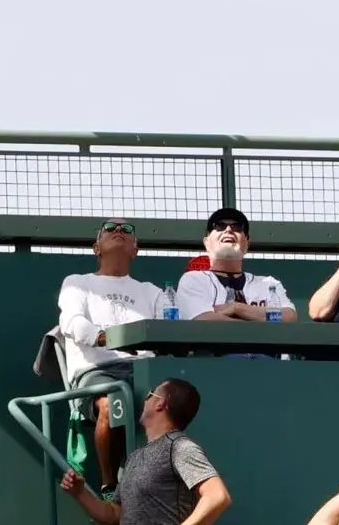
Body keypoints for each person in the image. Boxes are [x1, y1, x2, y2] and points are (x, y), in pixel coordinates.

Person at [57, 217, 163, 497]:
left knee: (174, 400)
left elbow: (169, 325)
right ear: (97, 247)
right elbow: (72, 323)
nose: (119, 231)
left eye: (127, 230)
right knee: (111, 403)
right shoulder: (78, 284)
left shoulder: (150, 291)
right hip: (97, 370)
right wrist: (111, 339)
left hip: (145, 370)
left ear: (135, 249)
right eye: (110, 229)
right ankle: (109, 487)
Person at [60, 378, 231, 524]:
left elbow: (217, 496)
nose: (144, 400)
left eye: (150, 395)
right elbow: (114, 514)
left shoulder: (180, 447)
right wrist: (80, 493)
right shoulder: (135, 457)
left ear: (160, 403)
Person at [176, 207, 298, 323]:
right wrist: (261, 319)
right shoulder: (194, 280)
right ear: (207, 243)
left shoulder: (268, 284)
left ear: (247, 244)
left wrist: (238, 308)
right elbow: (205, 320)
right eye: (219, 226)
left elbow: (289, 316)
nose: (228, 229)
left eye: (237, 227)